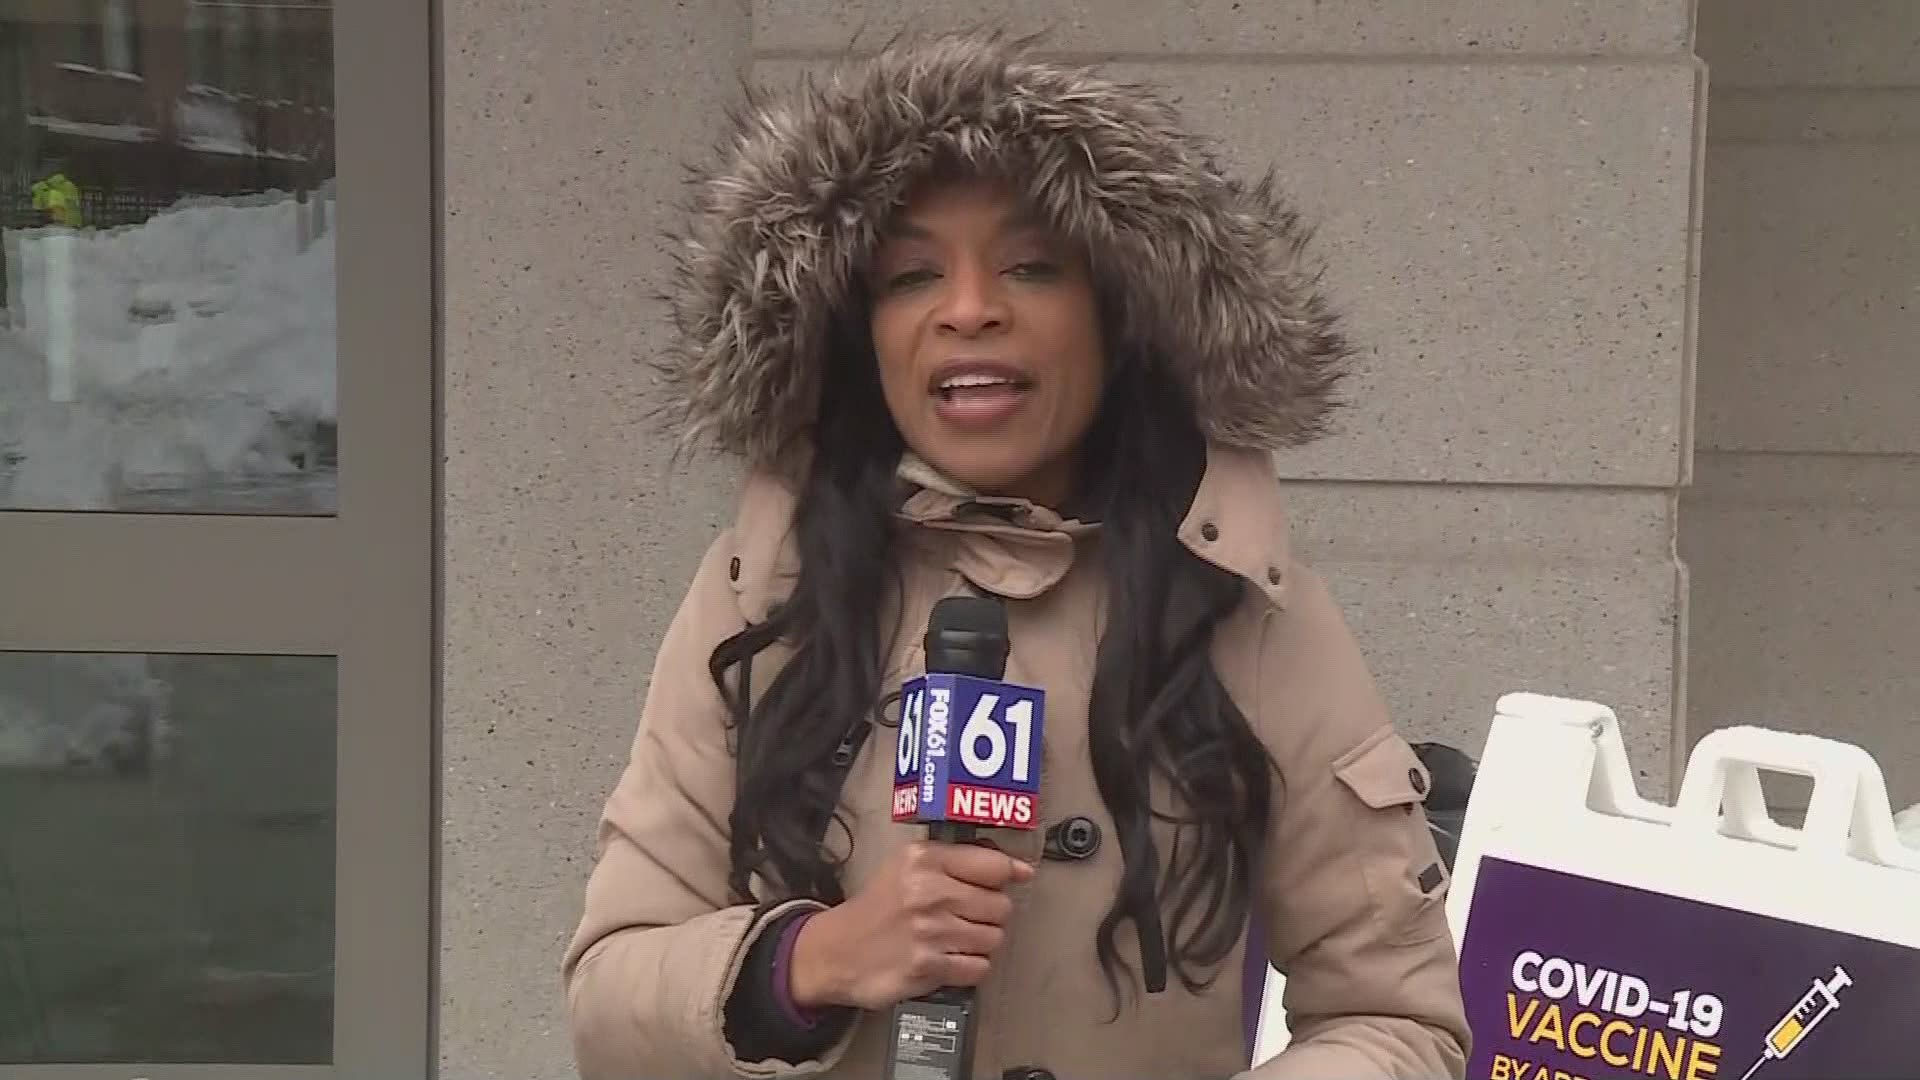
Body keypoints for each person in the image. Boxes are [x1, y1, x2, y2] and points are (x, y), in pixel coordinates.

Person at [563, 30, 1471, 1080]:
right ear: (860, 335)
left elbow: (1399, 1022)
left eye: (1032, 265)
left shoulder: (1249, 611)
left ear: (1119, 316)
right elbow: (610, 1001)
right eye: (911, 276)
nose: (968, 309)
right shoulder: (760, 592)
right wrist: (811, 959)